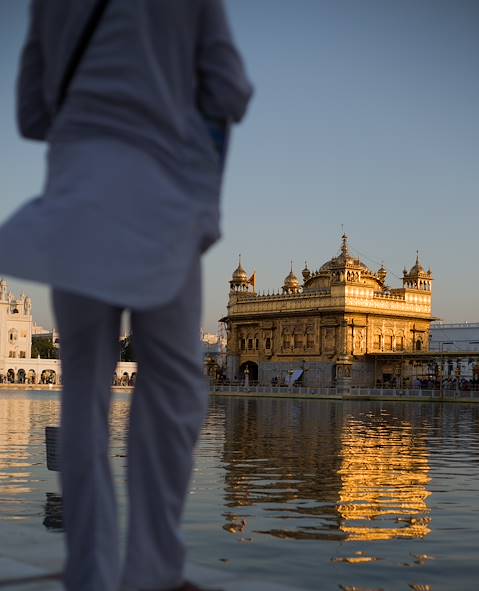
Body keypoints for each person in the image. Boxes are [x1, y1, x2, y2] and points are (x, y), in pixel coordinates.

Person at [0, 1, 252, 590]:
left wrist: (92, 108)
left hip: (77, 193)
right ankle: (153, 568)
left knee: (83, 387)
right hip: (158, 190)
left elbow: (32, 116)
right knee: (171, 381)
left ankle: (89, 570)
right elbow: (229, 89)